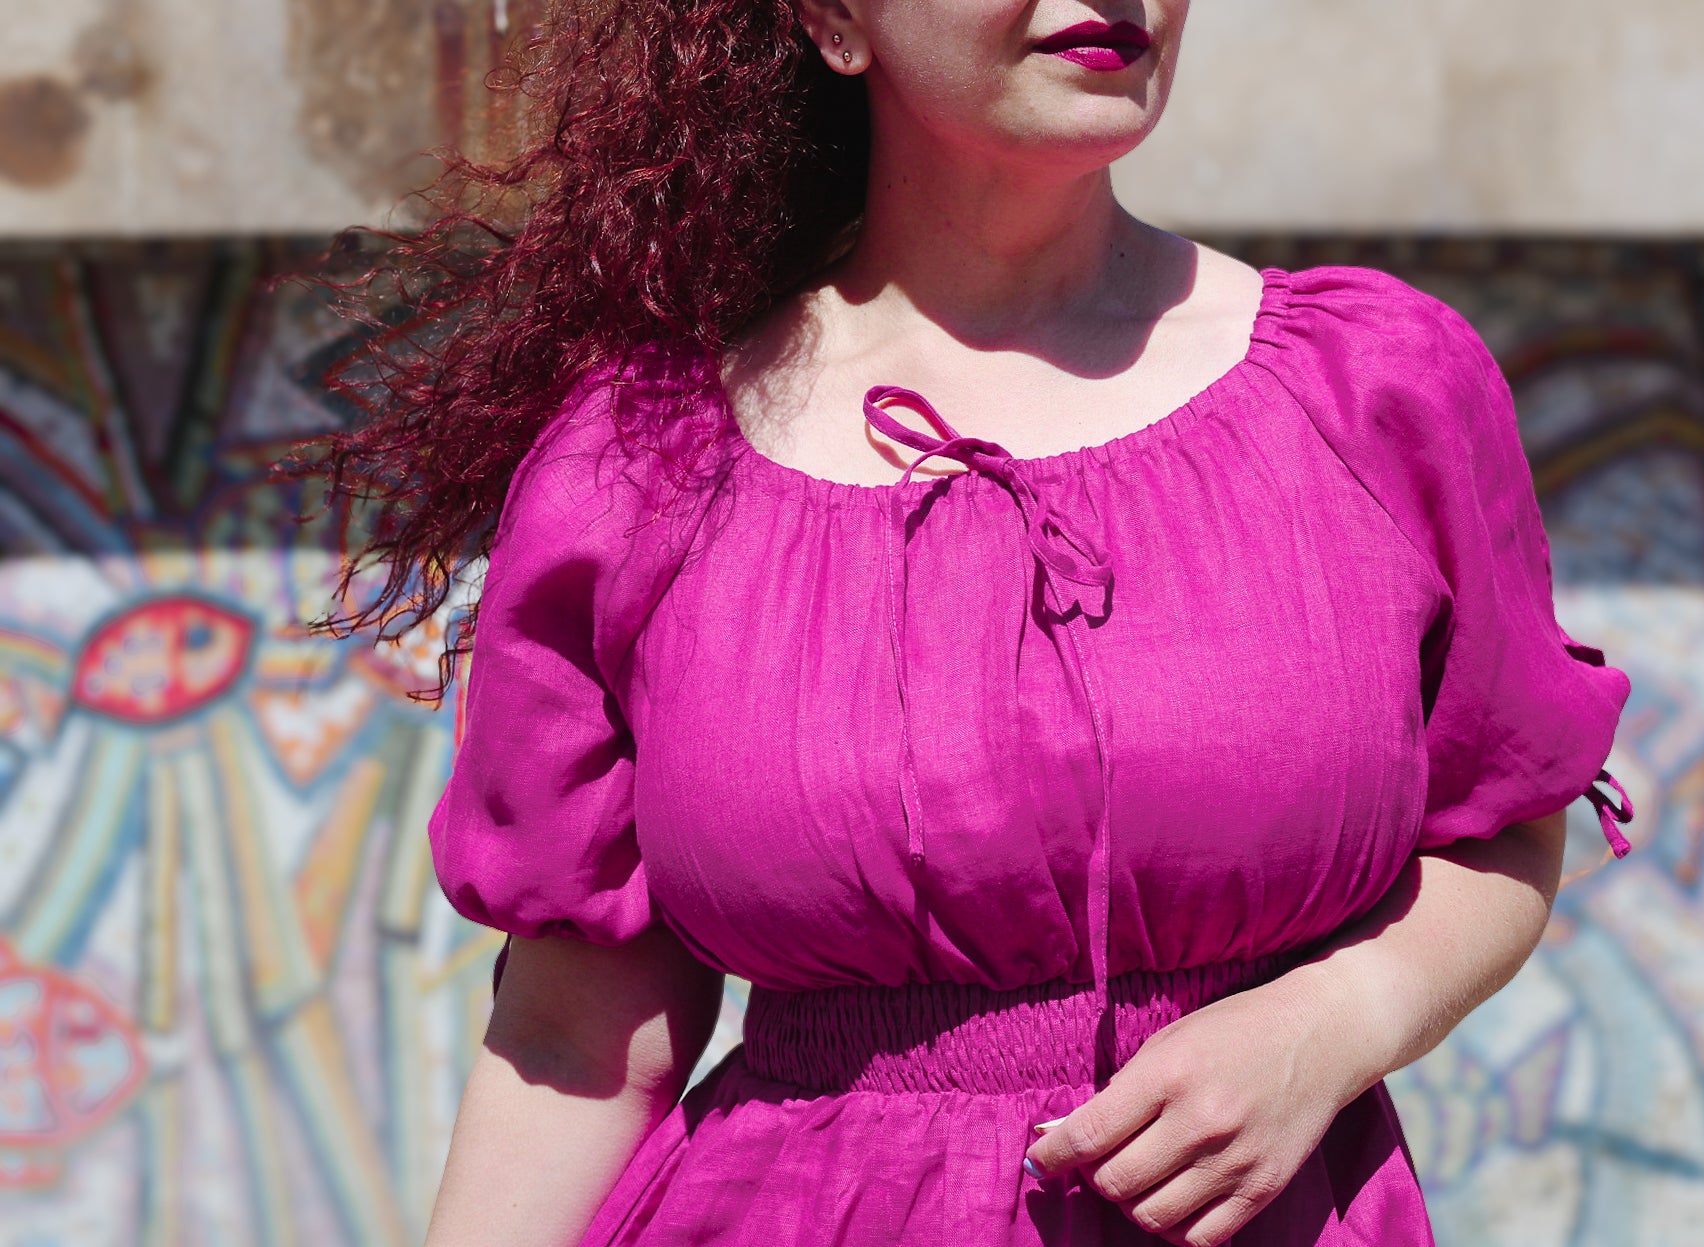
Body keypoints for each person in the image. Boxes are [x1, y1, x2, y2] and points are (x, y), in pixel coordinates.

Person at [311, 2, 1637, 1244]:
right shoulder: (633, 468)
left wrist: (1336, 1019)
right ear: (831, 18)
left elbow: (1505, 822)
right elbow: (575, 1043)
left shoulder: (1375, 389)